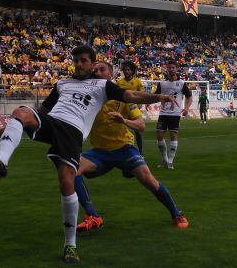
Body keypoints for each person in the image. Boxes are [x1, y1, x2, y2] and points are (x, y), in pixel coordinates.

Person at [0, 45, 176, 263]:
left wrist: (159, 97)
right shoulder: (62, 83)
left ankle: (70, 245)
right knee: (21, 111)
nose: (79, 64)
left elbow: (131, 94)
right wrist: (14, 125)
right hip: (53, 122)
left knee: (66, 180)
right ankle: (0, 162)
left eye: (84, 61)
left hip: (72, 132)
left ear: (91, 63)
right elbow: (42, 112)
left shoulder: (102, 85)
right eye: (76, 60)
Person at [74, 62, 189, 233]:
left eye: (102, 69)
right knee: (71, 169)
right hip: (99, 151)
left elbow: (141, 125)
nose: (97, 72)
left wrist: (124, 121)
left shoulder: (122, 97)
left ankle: (176, 213)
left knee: (149, 181)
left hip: (124, 148)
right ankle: (93, 216)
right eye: (95, 70)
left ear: (111, 75)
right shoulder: (87, 97)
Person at [155, 61, 193, 170]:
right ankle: (164, 159)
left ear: (176, 69)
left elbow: (189, 97)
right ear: (166, 69)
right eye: (169, 67)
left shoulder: (181, 83)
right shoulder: (162, 83)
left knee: (173, 135)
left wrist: (186, 108)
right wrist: (148, 102)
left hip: (175, 114)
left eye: (173, 67)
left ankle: (170, 161)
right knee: (159, 135)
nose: (171, 69)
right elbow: (155, 95)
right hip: (163, 113)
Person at [115, 61, 145, 152]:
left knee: (137, 130)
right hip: (122, 108)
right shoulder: (119, 82)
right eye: (125, 70)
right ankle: (120, 149)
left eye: (128, 70)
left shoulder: (137, 82)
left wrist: (139, 103)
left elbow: (142, 93)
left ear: (132, 71)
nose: (126, 72)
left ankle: (140, 152)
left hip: (133, 108)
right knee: (120, 128)